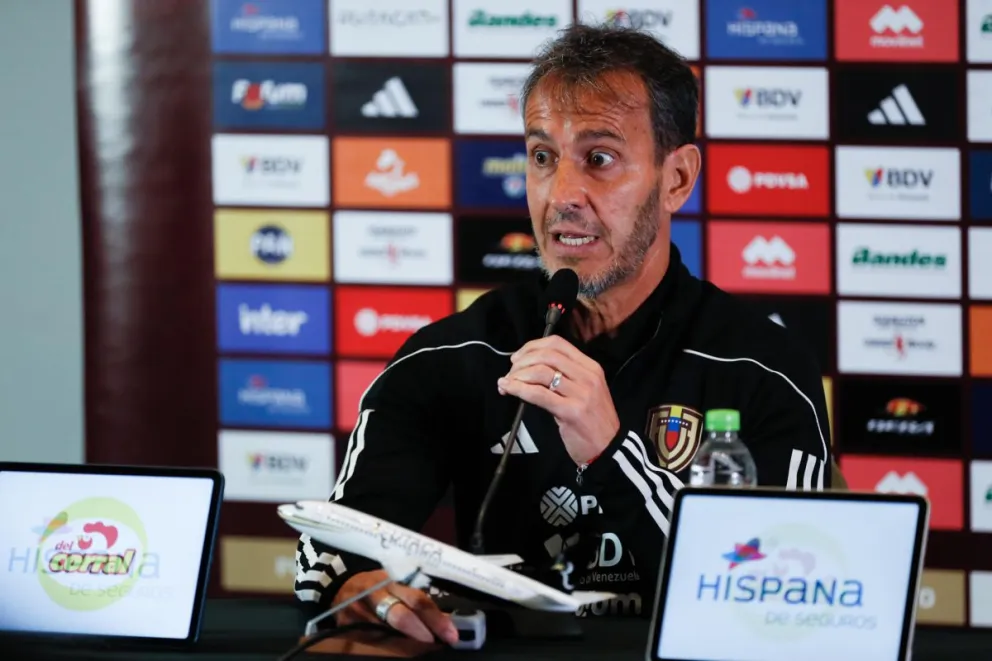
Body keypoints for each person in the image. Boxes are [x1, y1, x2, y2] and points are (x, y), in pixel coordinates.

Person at [294, 23, 833, 645]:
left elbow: (781, 602)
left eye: (599, 159)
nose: (562, 196)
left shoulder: (764, 367)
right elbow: (334, 547)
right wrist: (357, 587)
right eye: (543, 158)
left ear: (677, 179)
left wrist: (611, 452)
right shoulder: (453, 355)